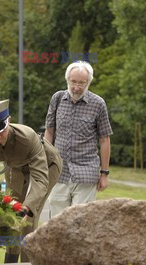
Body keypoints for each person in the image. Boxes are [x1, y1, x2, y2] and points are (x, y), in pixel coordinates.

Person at [0, 99, 62, 263]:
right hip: (15, 166)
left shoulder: (27, 137)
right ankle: (10, 261)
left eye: (1, 131)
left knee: (28, 218)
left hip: (46, 165)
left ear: (8, 121)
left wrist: (27, 207)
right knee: (11, 212)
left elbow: (39, 178)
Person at [44, 61, 113, 217]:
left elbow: (104, 140)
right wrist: (46, 161)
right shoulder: (57, 98)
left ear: (88, 83)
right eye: (73, 82)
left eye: (82, 83)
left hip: (86, 173)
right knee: (56, 222)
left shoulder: (98, 104)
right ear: (67, 80)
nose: (76, 87)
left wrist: (104, 174)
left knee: (79, 222)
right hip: (59, 171)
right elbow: (49, 132)